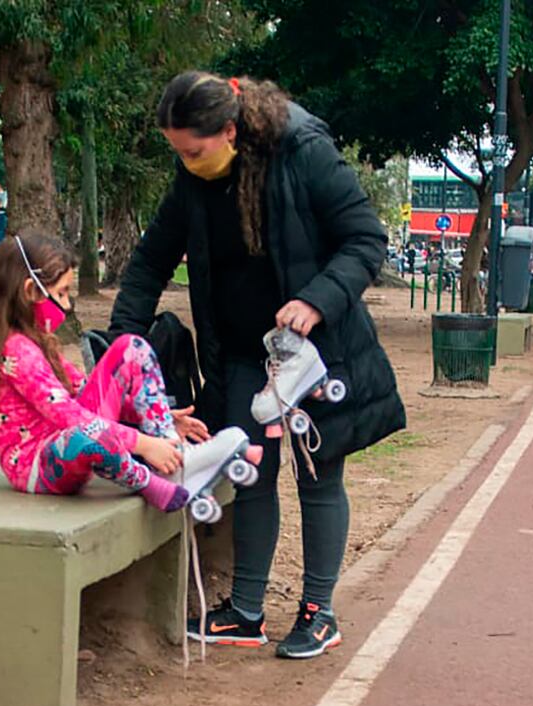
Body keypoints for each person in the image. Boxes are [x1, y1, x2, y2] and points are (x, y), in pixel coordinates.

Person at [110, 71, 406, 659]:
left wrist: (315, 301)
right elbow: (150, 261)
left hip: (315, 351)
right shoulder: (195, 177)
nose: (185, 162)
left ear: (229, 130)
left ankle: (319, 612)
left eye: (193, 151)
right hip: (243, 350)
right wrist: (122, 346)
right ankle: (245, 612)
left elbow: (365, 240)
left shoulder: (302, 150)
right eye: (177, 152)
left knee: (319, 474)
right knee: (249, 470)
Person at [0, 233, 212, 514]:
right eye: (61, 293)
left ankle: (171, 448)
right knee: (89, 434)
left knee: (132, 348)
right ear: (30, 290)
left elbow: (82, 390)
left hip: (70, 441)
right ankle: (148, 480)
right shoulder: (15, 350)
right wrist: (144, 444)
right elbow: (71, 416)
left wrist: (151, 416)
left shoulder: (37, 341)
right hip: (39, 467)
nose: (67, 305)